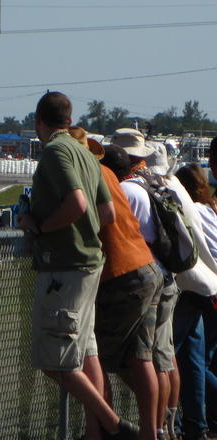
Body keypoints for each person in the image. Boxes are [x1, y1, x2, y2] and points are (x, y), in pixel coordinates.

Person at [18, 93, 139, 440]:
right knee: (87, 354)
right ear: (69, 120)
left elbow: (78, 203)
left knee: (53, 359)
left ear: (38, 121)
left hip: (64, 267)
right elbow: (107, 213)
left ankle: (113, 425)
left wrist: (40, 226)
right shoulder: (86, 152)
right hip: (89, 264)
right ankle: (95, 432)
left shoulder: (56, 151)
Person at [71, 137, 162, 440]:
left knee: (92, 356)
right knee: (141, 357)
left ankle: (101, 429)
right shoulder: (108, 173)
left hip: (120, 273)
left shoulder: (84, 174)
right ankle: (152, 432)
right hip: (146, 266)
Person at [109, 129, 180, 440]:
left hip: (142, 277)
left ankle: (152, 427)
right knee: (162, 358)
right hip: (164, 274)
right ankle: (163, 428)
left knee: (142, 358)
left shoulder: (127, 190)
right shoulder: (150, 184)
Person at [172, 164, 217, 440]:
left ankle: (183, 422)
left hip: (199, 288)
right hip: (209, 287)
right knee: (197, 359)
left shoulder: (191, 211)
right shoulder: (209, 210)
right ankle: (196, 424)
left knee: (187, 358)